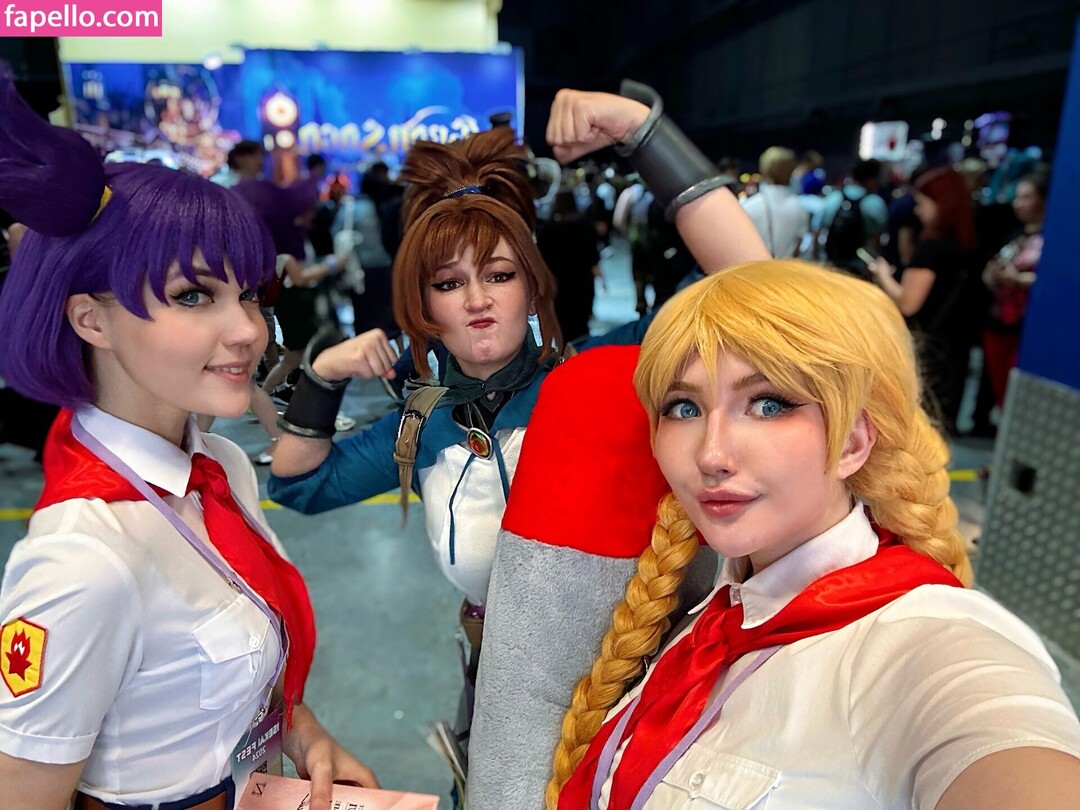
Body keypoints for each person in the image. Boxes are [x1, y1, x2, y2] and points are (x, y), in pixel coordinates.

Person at [267, 85, 769, 798]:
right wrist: (324, 375)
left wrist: (641, 130)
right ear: (423, 303)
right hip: (497, 693)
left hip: (638, 685)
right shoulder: (427, 422)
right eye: (450, 283)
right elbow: (299, 485)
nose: (478, 299)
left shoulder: (608, 376)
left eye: (499, 275)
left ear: (531, 287)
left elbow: (748, 284)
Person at [536, 260, 1080, 809]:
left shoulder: (927, 647)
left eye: (768, 404)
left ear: (852, 442)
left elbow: (998, 737)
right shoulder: (713, 611)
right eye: (684, 407)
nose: (711, 455)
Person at [0, 67, 375, 809]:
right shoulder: (83, 563)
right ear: (90, 319)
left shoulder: (220, 464)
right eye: (193, 295)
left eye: (249, 294)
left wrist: (303, 733)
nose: (247, 330)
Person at [868, 166, 980, 434]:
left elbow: (907, 302)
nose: (918, 210)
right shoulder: (966, 244)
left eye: (922, 202)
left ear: (940, 204)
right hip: (954, 348)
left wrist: (883, 275)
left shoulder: (932, 248)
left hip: (927, 347)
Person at [982, 171, 1048, 407]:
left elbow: (1052, 284)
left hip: (1026, 327)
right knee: (1000, 391)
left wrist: (1019, 280)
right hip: (998, 321)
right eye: (1017, 197)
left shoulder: (1053, 239)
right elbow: (992, 269)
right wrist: (993, 275)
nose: (1018, 203)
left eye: (1027, 197)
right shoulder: (1014, 234)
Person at [739, 146, 809, 258]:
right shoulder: (800, 209)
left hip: (755, 267)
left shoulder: (749, 206)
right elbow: (797, 250)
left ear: (765, 170)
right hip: (786, 267)